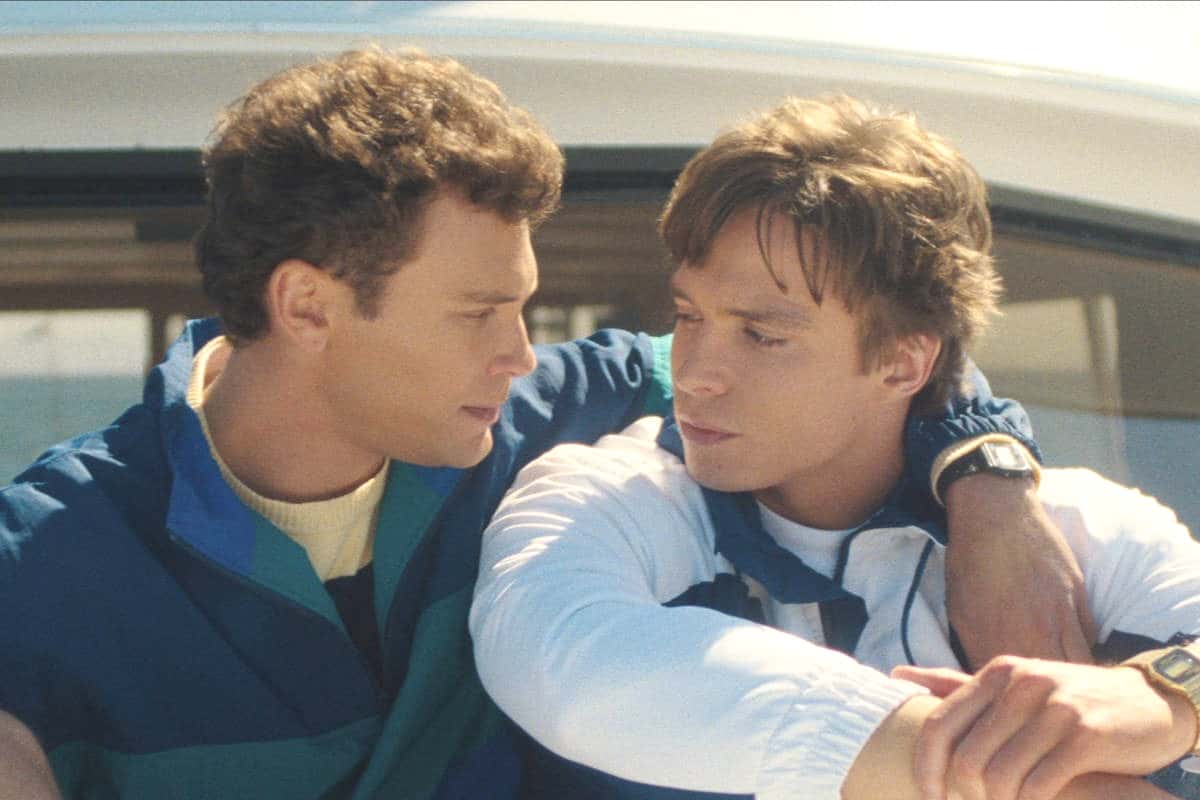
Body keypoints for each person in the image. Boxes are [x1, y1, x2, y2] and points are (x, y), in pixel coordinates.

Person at [0, 49, 1074, 799]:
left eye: (524, 307)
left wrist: (988, 473)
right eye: (478, 313)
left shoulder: (525, 415)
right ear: (308, 306)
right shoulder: (40, 567)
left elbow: (866, 344)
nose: (521, 354)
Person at [470, 95, 1200, 799]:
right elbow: (558, 660)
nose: (691, 374)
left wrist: (1166, 697)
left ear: (903, 364)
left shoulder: (1063, 528)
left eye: (762, 335)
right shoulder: (606, 497)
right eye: (689, 316)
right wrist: (1000, 770)